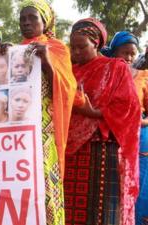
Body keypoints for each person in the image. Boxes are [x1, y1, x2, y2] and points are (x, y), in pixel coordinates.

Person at [64, 19, 140, 225]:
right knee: (69, 209)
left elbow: (129, 109)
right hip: (69, 152)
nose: (76, 52)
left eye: (82, 47)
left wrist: (93, 112)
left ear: (96, 43)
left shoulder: (116, 68)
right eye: (73, 47)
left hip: (101, 151)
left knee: (101, 212)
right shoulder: (68, 71)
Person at [18, 1, 78, 224]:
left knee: (44, 179)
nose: (26, 22)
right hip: (19, 128)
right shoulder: (15, 50)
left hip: (44, 128)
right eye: (22, 19)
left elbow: (67, 88)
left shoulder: (57, 48)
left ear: (45, 21)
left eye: (32, 18)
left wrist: (46, 62)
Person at [101, 31, 148, 224]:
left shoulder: (144, 76)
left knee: (140, 189)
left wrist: (138, 120)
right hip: (112, 138)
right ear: (114, 52)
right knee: (113, 189)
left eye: (133, 53)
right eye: (124, 52)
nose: (129, 58)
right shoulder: (105, 74)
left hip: (140, 142)